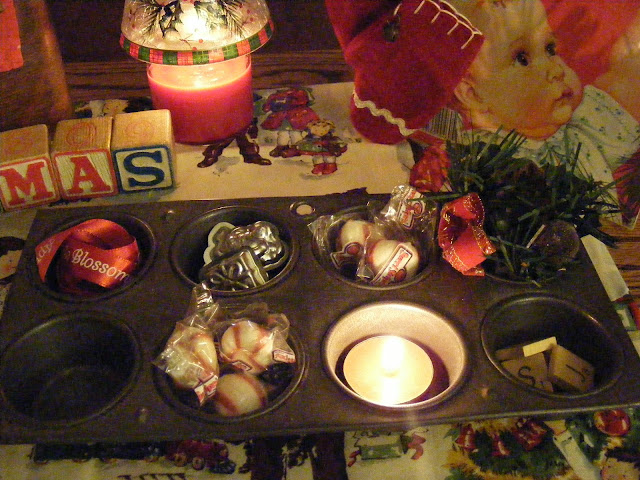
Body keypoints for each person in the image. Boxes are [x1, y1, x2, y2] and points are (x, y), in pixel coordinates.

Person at [325, 0, 640, 225]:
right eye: (522, 59)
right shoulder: (476, 152)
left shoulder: (593, 114)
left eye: (550, 49)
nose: (556, 69)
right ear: (473, 94)